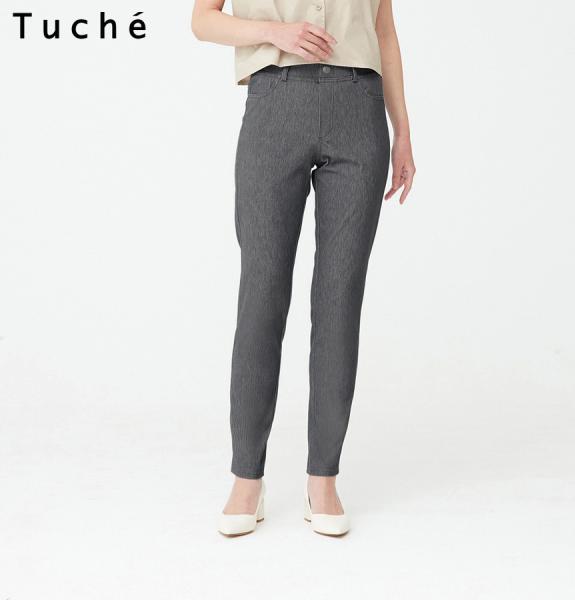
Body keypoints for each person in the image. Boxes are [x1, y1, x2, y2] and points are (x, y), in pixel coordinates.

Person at [191, 0, 416, 537]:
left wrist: (403, 130)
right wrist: (275, 32)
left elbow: (384, 33)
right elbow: (202, 20)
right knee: (261, 297)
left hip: (359, 108)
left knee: (340, 300)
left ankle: (324, 478)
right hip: (276, 101)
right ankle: (247, 477)